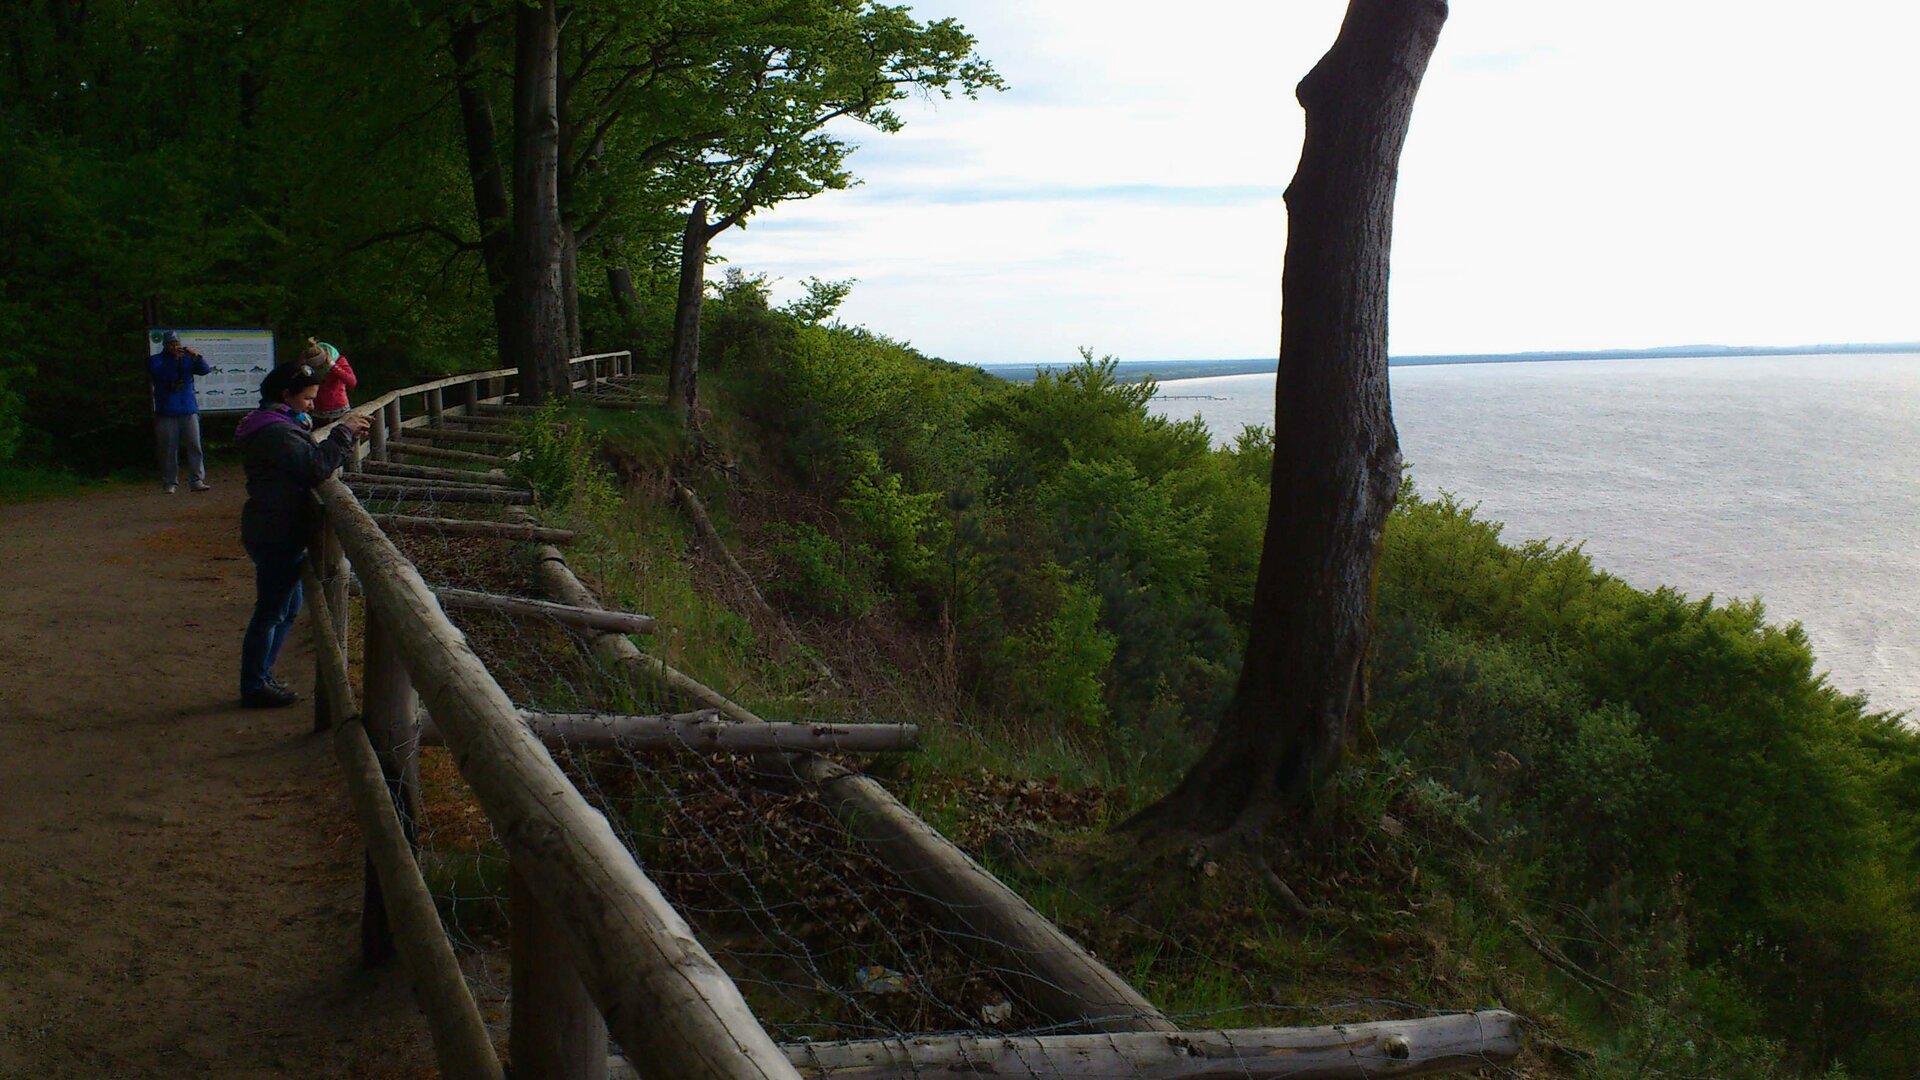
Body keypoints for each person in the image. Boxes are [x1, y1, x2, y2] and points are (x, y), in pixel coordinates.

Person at [233, 363, 370, 709]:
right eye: (308, 398)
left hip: (275, 527)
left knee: (287, 606)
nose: (312, 404)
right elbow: (314, 467)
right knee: (272, 610)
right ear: (285, 396)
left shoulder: (277, 425)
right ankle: (254, 685)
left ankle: (261, 677)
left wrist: (344, 437)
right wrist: (343, 432)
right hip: (275, 530)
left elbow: (311, 459)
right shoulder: (276, 433)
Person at [148, 331, 212, 494]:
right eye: (170, 344)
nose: (174, 346)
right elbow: (159, 375)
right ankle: (170, 482)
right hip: (166, 411)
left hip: (188, 409)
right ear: (165, 345)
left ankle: (196, 479)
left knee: (194, 445)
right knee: (168, 448)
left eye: (176, 343)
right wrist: (174, 360)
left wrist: (196, 356)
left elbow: (205, 370)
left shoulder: (187, 359)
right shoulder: (157, 360)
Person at [300, 338, 358, 426]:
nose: (319, 369)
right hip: (317, 413)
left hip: (340, 411)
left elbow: (352, 382)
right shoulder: (305, 366)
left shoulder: (339, 360)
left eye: (321, 366)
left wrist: (333, 366)